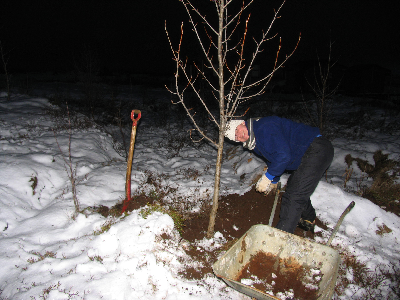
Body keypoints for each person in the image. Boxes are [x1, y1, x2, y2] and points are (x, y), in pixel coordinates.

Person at [224, 116, 334, 234]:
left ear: (241, 123)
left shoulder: (263, 128)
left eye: (237, 130)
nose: (239, 136)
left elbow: (283, 156)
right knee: (294, 186)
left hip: (316, 148)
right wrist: (274, 180)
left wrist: (268, 177)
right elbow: (273, 158)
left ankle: (280, 239)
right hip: (306, 155)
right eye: (235, 137)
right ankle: (308, 218)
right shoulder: (255, 141)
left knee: (294, 196)